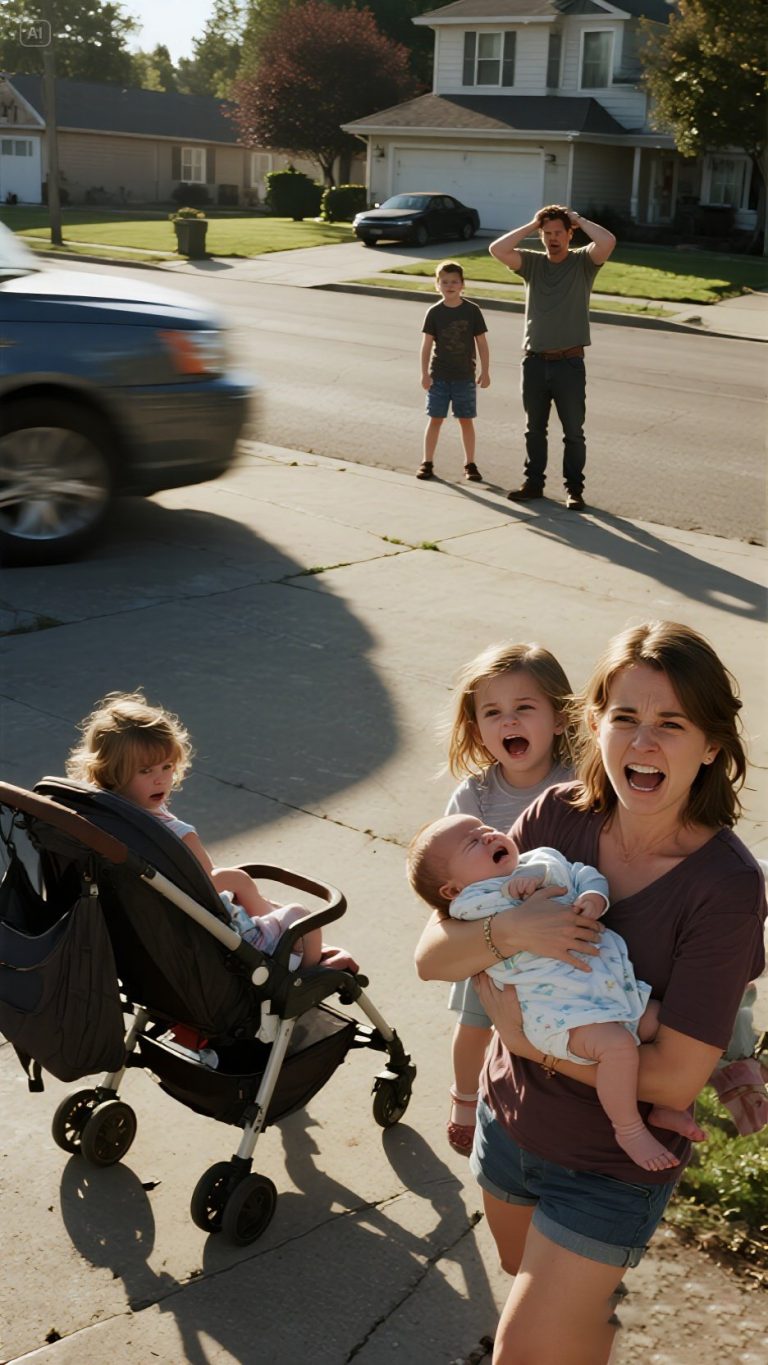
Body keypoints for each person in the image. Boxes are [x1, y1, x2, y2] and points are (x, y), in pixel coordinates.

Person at [414, 621, 766, 1365]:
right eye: (625, 716)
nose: (643, 742)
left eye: (672, 723)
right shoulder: (555, 816)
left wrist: (523, 1042)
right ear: (595, 722)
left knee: (522, 1350)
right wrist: (512, 930)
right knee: (546, 1307)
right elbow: (433, 954)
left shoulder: (727, 887)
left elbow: (672, 1079)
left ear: (711, 744)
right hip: (510, 1125)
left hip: (611, 1168)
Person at [409, 813, 703, 1172]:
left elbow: (583, 874)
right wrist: (515, 890)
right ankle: (629, 1128)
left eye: (487, 830)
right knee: (617, 1048)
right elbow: (471, 920)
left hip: (609, 992)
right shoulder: (469, 904)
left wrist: (595, 896)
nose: (487, 836)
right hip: (559, 1014)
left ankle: (668, 1107)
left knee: (664, 1024)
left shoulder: (542, 858)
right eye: (472, 842)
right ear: (452, 889)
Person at [66, 691, 349, 973]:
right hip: (232, 942)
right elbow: (207, 890)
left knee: (245, 887)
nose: (161, 779)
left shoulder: (105, 820)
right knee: (301, 918)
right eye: (146, 771)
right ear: (110, 772)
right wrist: (237, 881)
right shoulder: (176, 835)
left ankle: (276, 928)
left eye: (167, 766)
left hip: (161, 942)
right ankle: (301, 976)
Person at [442, 641, 574, 1156]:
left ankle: (539, 1104)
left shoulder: (578, 783)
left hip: (556, 937)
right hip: (490, 938)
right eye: (493, 712)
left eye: (524, 707)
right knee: (475, 1023)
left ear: (560, 718)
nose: (509, 721)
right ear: (477, 729)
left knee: (556, 1031)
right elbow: (443, 863)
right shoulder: (474, 795)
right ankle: (464, 1097)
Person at [489, 205, 616, 511]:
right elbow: (497, 249)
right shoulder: (532, 263)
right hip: (534, 361)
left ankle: (574, 490)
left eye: (559, 232)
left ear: (570, 234)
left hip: (569, 363)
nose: (553, 238)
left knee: (573, 433)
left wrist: (578, 219)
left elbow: (608, 242)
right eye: (547, 234)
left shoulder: (583, 262)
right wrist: (532, 224)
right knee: (534, 429)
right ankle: (533, 484)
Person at [417, 260, 490, 483]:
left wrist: (485, 371)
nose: (450, 286)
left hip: (464, 377)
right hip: (439, 377)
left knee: (466, 420)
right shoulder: (434, 312)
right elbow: (426, 346)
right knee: (435, 419)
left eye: (454, 281)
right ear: (437, 284)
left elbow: (482, 343)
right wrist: (424, 374)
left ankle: (470, 463)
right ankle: (427, 462)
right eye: (445, 281)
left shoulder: (472, 311)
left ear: (462, 284)